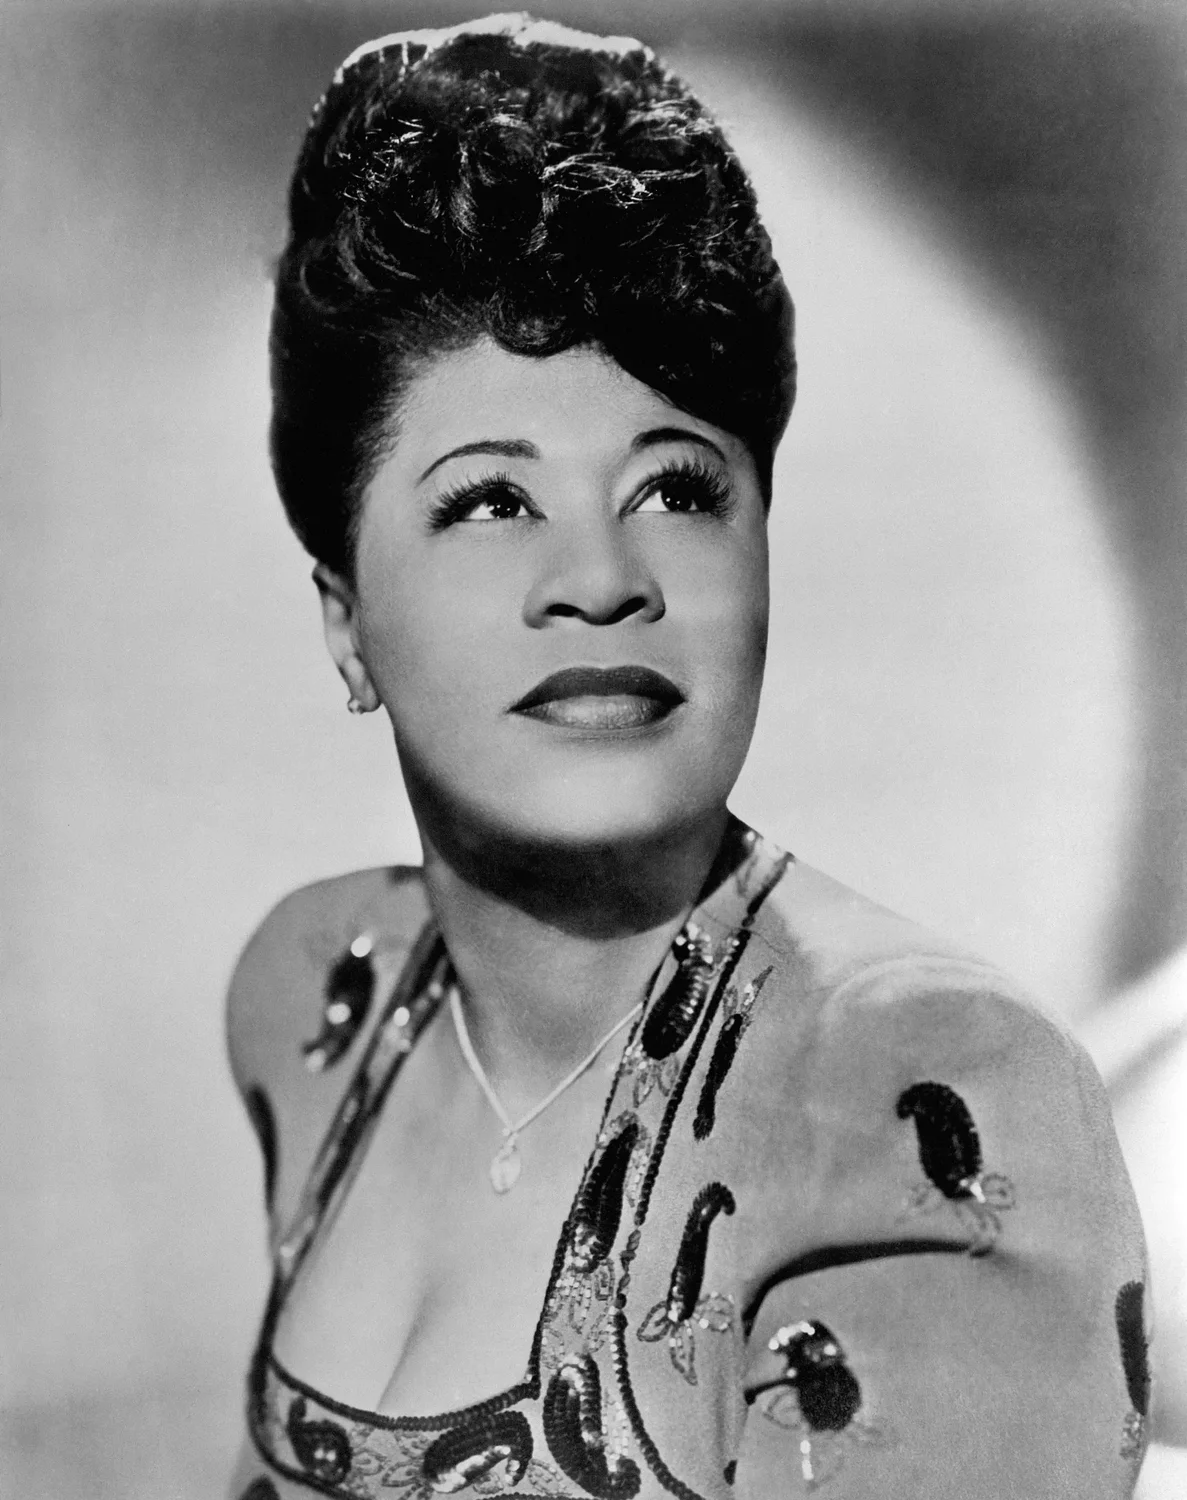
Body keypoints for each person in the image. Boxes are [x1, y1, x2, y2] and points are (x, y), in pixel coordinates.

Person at [226, 16, 1148, 1499]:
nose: (598, 578)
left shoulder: (914, 1090)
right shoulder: (318, 1000)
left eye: (673, 487)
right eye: (486, 503)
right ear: (344, 622)